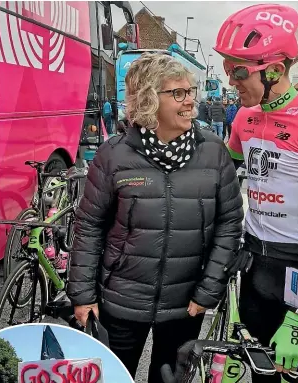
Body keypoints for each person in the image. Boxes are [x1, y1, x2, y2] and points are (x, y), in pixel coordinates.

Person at [67, 53, 244, 382]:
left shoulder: (213, 151)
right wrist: (83, 295)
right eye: (178, 93)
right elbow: (89, 227)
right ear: (148, 99)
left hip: (185, 304)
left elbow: (229, 224)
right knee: (112, 377)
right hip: (120, 301)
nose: (190, 101)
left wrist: (207, 291)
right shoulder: (113, 155)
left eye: (191, 91)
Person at [214, 4, 298, 382]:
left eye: (239, 71)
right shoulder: (243, 117)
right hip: (256, 267)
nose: (231, 81)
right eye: (227, 69)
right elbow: (225, 187)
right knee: (262, 376)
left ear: (274, 70)